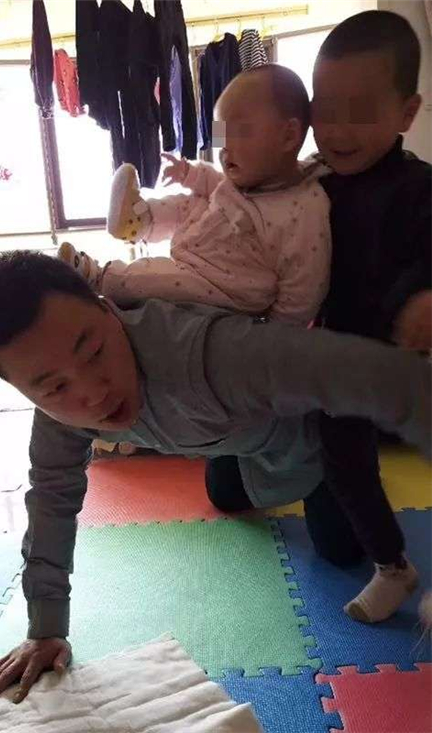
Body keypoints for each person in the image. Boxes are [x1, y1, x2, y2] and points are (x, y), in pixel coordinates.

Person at [0, 251, 430, 702]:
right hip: (229, 439)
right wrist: (45, 628)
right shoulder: (57, 419)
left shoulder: (216, 353)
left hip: (310, 437)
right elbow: (50, 503)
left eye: (94, 351)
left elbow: (396, 380)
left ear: (108, 310)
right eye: (55, 387)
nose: (93, 392)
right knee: (224, 496)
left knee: (340, 548)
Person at [205, 9, 432, 627]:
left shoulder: (416, 189)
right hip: (314, 369)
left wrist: (422, 295)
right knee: (324, 497)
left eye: (362, 113)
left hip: (386, 368)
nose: (339, 131)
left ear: (407, 113)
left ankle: (389, 559)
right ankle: (391, 565)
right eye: (326, 112)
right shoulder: (311, 181)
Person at [59, 63, 332, 326]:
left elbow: (304, 287)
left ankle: (97, 277)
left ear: (288, 136)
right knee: (191, 203)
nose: (225, 149)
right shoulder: (248, 177)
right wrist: (188, 172)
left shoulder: (304, 209)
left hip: (219, 284)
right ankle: (139, 219)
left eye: (239, 132)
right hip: (205, 241)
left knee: (157, 278)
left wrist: (277, 331)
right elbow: (215, 183)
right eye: (222, 136)